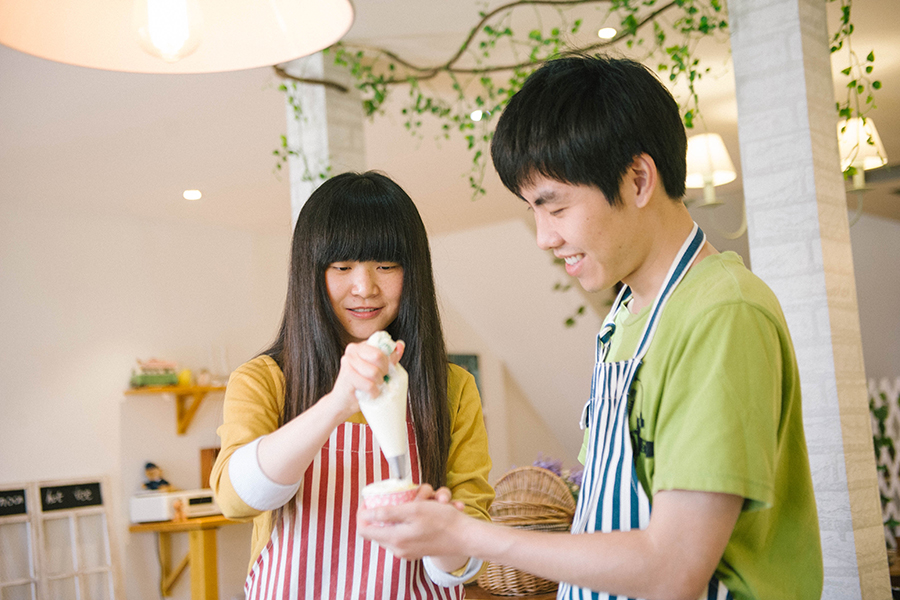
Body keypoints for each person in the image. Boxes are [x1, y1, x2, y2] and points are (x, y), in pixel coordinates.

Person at [358, 55, 823, 600]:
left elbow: (673, 569)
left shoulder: (721, 314)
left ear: (638, 179)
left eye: (553, 207)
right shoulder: (625, 316)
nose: (543, 237)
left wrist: (472, 533)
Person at [210, 171, 493, 599]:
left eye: (386, 265)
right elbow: (236, 500)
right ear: (310, 274)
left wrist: (443, 536)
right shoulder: (265, 380)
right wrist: (338, 401)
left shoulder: (453, 387)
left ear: (413, 272)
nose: (365, 287)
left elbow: (467, 563)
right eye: (342, 267)